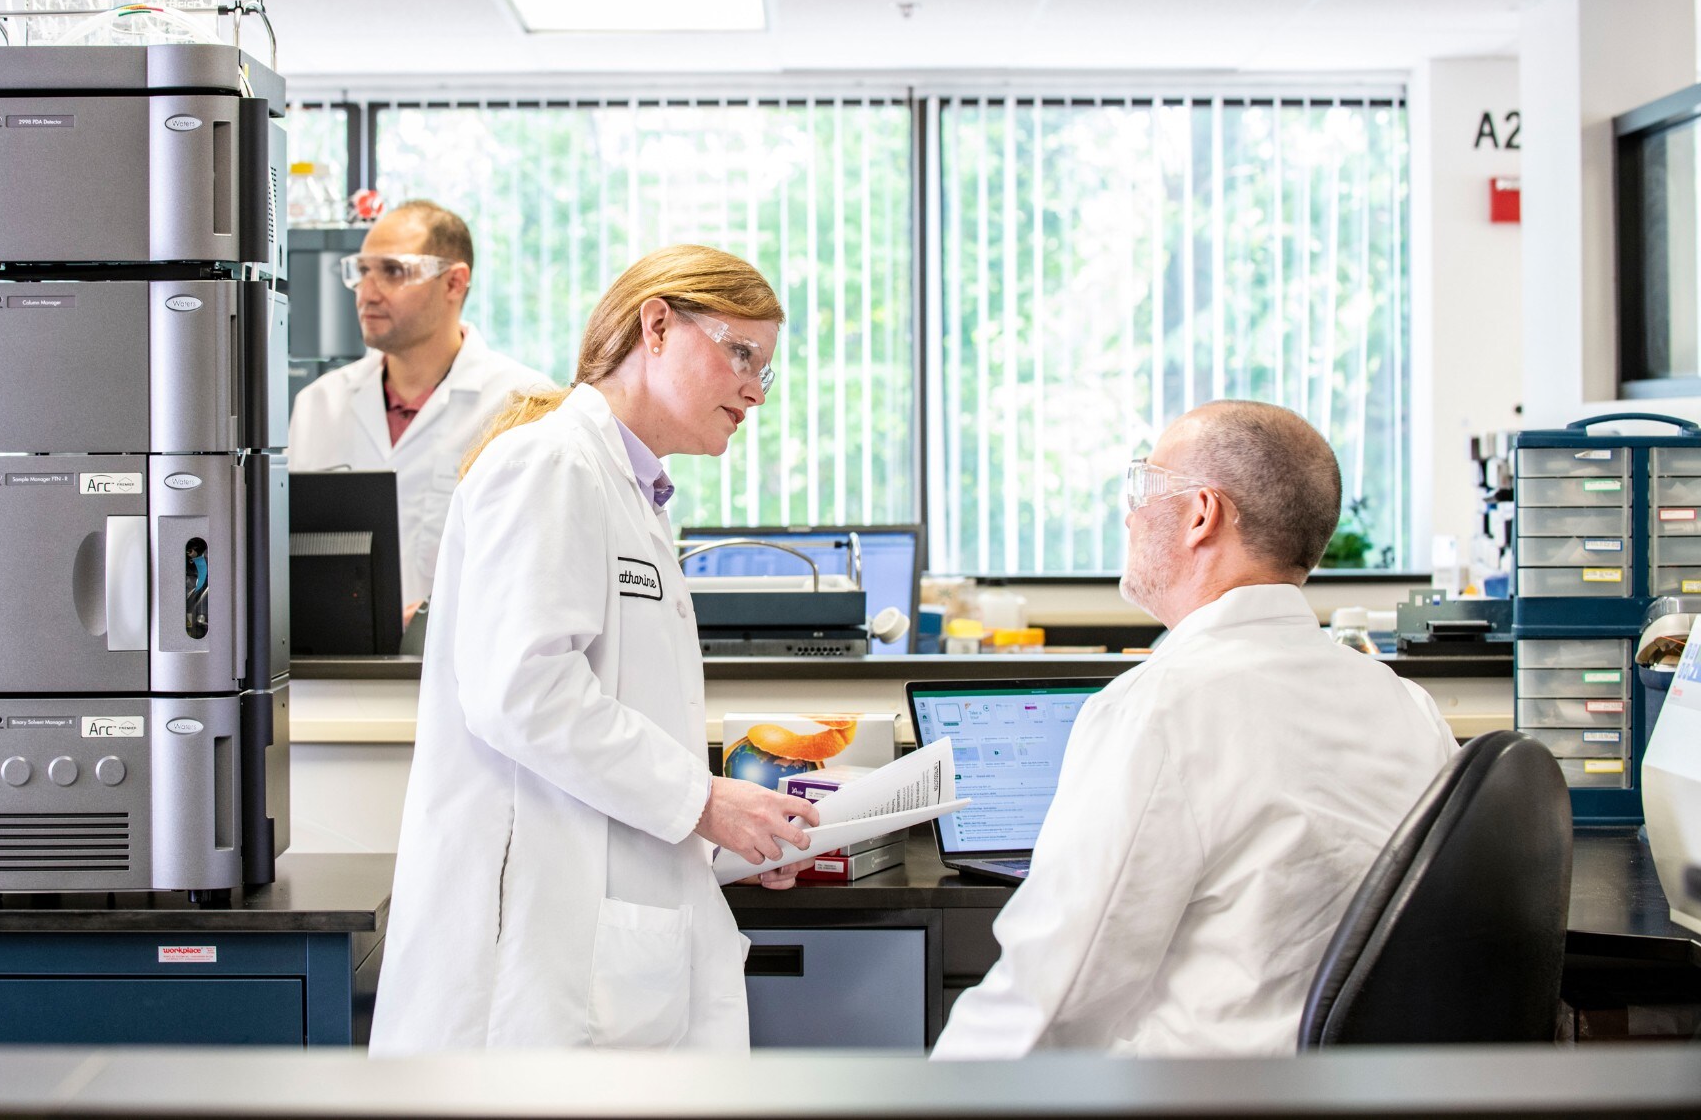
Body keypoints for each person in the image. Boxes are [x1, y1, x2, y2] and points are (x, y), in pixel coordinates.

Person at [370, 245, 820, 1055]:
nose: (755, 389)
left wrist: (728, 831)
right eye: (741, 353)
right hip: (532, 962)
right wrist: (706, 801)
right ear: (656, 325)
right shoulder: (549, 463)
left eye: (766, 369)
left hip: (604, 937)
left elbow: (621, 728)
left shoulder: (632, 493)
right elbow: (522, 693)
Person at [932, 400, 1458, 1059]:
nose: (1129, 514)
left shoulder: (1159, 709)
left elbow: (1049, 996)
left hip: (1203, 1100)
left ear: (1201, 514)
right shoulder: (1405, 704)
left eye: (1143, 487)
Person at [288, 199, 552, 612]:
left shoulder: (521, 404)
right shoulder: (319, 404)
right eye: (362, 272)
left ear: (453, 283)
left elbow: (544, 559)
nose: (367, 293)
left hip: (465, 665)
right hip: (331, 667)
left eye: (393, 271)